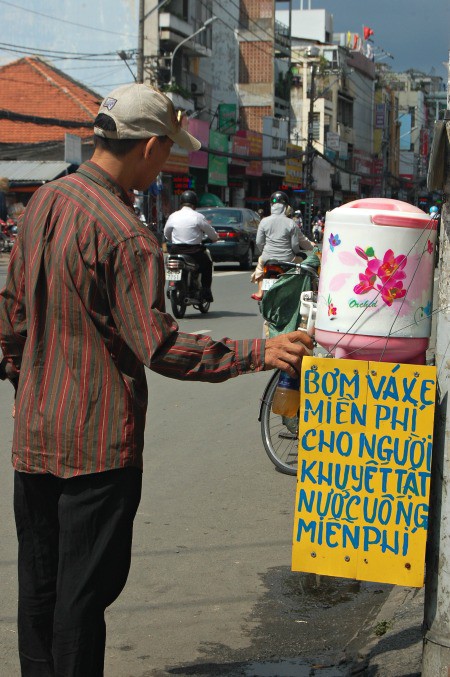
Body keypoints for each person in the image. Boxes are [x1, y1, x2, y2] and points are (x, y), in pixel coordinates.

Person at [0, 82, 312, 677]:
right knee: (82, 601)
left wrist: (25, 385)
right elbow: (160, 346)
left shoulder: (41, 202)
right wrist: (258, 350)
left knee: (38, 592)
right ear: (146, 148)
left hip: (34, 437)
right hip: (96, 448)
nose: (168, 160)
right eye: (167, 149)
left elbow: (12, 315)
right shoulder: (125, 232)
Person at [250, 191, 315, 300]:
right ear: (286, 207)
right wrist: (300, 251)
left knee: (260, 266)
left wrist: (265, 252)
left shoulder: (264, 221)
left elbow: (259, 242)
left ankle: (260, 291)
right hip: (288, 259)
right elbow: (295, 246)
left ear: (271, 206)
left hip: (267, 258)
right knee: (304, 266)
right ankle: (300, 292)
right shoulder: (291, 223)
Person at [164, 189, 218, 302]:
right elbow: (212, 234)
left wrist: (173, 239)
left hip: (175, 251)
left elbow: (167, 234)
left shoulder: (173, 216)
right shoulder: (198, 216)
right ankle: (206, 290)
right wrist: (214, 239)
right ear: (195, 204)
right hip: (194, 252)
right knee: (207, 264)